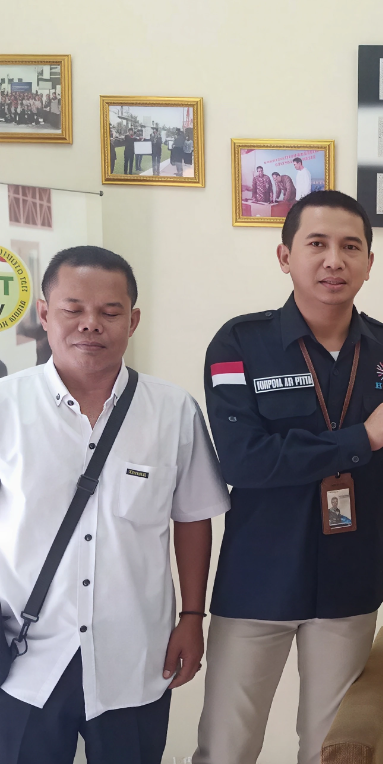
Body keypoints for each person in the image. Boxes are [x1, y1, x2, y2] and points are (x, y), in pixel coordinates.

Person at [193, 191, 383, 764]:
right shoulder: (239, 344)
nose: (335, 260)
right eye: (317, 244)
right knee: (226, 749)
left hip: (349, 584)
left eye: (351, 247)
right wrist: (358, 439)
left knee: (336, 749)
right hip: (258, 582)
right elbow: (243, 461)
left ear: (369, 263)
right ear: (285, 256)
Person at [0, 246, 230, 764]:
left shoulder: (173, 411)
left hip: (134, 656)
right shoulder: (6, 407)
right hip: (26, 659)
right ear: (44, 314)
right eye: (73, 309)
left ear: (133, 320)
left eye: (109, 312)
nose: (91, 324)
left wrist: (192, 617)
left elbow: (193, 518)